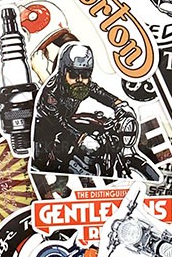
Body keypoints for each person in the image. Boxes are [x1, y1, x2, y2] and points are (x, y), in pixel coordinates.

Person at [31, 43, 132, 174]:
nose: (79, 80)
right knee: (45, 165)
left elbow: (99, 92)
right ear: (64, 72)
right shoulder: (51, 91)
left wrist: (119, 105)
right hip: (44, 133)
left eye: (85, 74)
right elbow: (57, 121)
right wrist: (81, 137)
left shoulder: (84, 86)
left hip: (65, 124)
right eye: (73, 74)